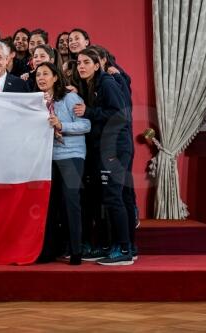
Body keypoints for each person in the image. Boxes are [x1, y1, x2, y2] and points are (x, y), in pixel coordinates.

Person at [73, 48, 133, 266]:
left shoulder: (107, 83)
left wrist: (88, 111)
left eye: (86, 62)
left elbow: (120, 116)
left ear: (97, 65)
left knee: (114, 198)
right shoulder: (93, 85)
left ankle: (125, 249)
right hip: (105, 148)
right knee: (108, 198)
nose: (81, 66)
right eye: (78, 62)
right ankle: (117, 246)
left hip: (115, 148)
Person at [36, 62, 90, 265]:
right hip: (47, 157)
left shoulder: (69, 97)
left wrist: (61, 125)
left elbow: (86, 124)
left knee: (71, 202)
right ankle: (47, 251)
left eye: (46, 74)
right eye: (38, 75)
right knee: (48, 205)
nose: (41, 78)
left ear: (55, 77)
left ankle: (76, 251)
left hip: (71, 155)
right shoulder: (36, 101)